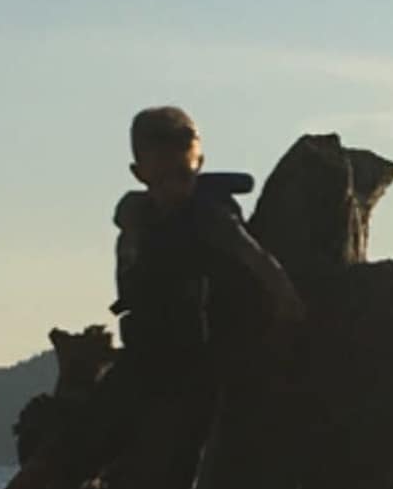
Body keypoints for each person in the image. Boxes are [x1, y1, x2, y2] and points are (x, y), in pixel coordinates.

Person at [113, 103, 302, 391]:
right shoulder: (139, 221)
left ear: (198, 165)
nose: (174, 187)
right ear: (140, 174)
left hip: (212, 355)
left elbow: (255, 258)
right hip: (150, 354)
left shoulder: (211, 217)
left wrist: (287, 304)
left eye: (183, 175)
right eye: (162, 179)